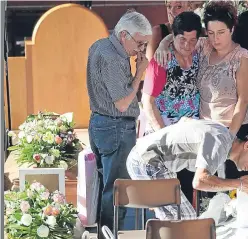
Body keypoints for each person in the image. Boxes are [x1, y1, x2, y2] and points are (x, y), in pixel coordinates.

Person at [155, 1, 248, 180]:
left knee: (231, 186)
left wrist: (229, 136)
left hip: (233, 129)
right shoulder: (204, 46)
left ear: (231, 30)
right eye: (210, 33)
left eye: (221, 33)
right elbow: (179, 35)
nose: (215, 39)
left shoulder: (242, 58)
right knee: (207, 187)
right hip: (205, 130)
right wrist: (163, 45)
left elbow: (244, 101)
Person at [86, 11, 152, 238]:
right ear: (124, 35)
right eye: (140, 43)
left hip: (100, 123)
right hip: (116, 126)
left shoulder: (99, 45)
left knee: (106, 185)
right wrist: (140, 73)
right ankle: (109, 234)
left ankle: (103, 232)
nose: (141, 50)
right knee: (116, 189)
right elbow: (123, 103)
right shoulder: (113, 57)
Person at [126, 119, 248, 219]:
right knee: (183, 219)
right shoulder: (220, 141)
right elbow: (200, 181)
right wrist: (239, 184)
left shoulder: (223, 136)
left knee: (183, 218)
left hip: (152, 159)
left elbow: (185, 121)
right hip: (148, 160)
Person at [142, 11, 202, 205]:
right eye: (182, 39)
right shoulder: (162, 61)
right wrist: (165, 138)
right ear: (174, 37)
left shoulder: (200, 55)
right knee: (167, 198)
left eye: (193, 40)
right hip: (167, 137)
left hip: (191, 137)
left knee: (188, 191)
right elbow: (148, 102)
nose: (187, 45)